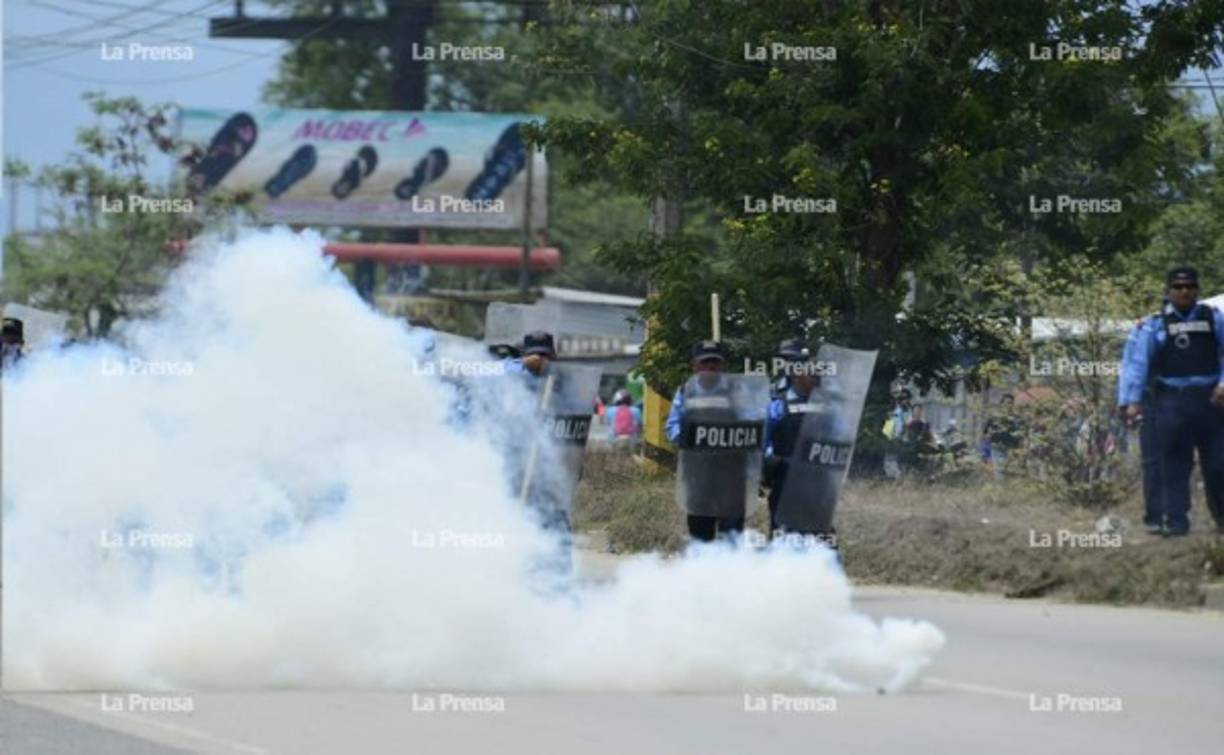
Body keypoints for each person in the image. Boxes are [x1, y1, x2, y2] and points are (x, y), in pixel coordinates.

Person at [1119, 267, 1224, 536]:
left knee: (1217, 464)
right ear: (1168, 291)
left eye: (1189, 286)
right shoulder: (1155, 324)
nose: (1184, 291)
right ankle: (1176, 522)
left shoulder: (1213, 318)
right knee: (1175, 464)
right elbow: (1138, 364)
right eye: (1178, 287)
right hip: (1172, 401)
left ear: (1197, 290)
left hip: (1211, 401)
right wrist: (1132, 400)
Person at [666, 340, 751, 542]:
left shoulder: (738, 391)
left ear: (723, 365)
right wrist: (689, 435)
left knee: (730, 537)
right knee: (700, 536)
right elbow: (672, 428)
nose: (710, 366)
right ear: (695, 365)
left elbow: (752, 426)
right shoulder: (685, 391)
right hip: (698, 474)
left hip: (731, 474)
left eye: (715, 362)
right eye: (705, 362)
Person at [763, 342, 826, 535]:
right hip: (785, 475)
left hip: (816, 478)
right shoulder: (775, 397)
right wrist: (769, 462)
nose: (817, 379)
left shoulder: (824, 401)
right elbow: (762, 437)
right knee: (782, 533)